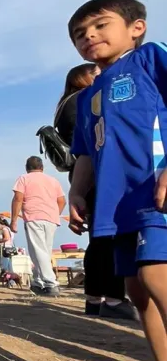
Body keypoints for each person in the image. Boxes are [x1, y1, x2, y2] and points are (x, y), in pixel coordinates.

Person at [67, 0, 167, 361]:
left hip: (155, 193)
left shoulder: (149, 58)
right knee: (138, 292)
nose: (90, 36)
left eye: (101, 25)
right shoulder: (89, 95)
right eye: (79, 34)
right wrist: (75, 190)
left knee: (158, 279)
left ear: (136, 27)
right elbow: (86, 151)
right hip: (119, 207)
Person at [57, 65, 134, 319]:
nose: (100, 75)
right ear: (84, 77)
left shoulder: (65, 104)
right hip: (98, 173)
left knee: (99, 240)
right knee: (109, 237)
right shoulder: (86, 99)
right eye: (95, 73)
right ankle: (112, 299)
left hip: (85, 173)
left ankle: (95, 298)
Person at [10, 156, 65, 296]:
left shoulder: (23, 179)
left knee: (38, 251)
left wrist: (14, 220)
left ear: (27, 168)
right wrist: (54, 214)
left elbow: (18, 199)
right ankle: (39, 282)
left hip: (34, 216)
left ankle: (51, 283)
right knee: (44, 251)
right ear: (42, 167)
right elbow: (62, 201)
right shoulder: (53, 180)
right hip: (51, 218)